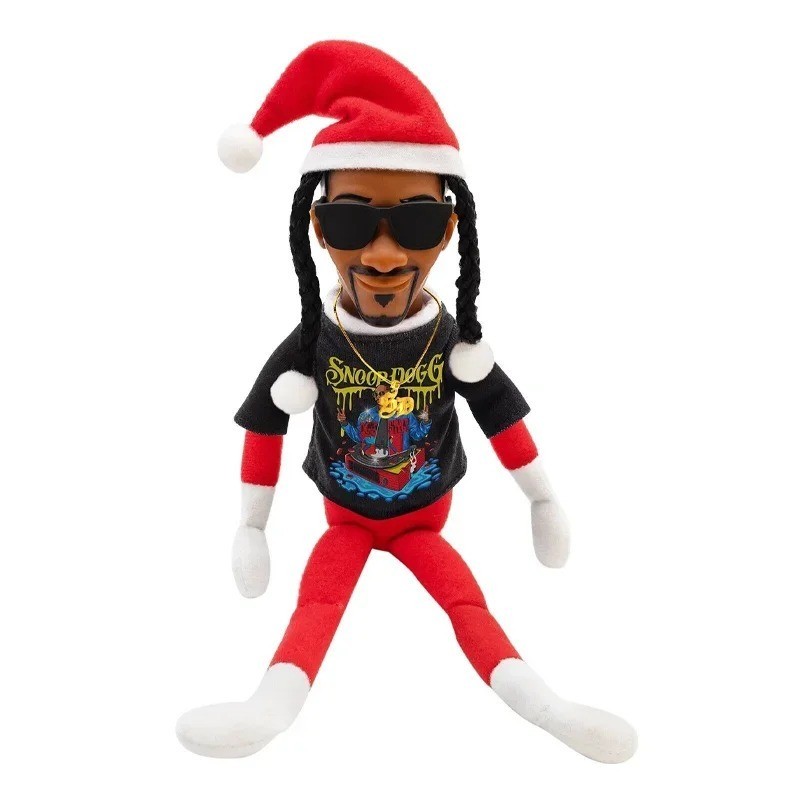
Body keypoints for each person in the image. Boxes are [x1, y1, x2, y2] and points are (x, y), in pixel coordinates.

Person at [176, 40, 637, 764]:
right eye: (351, 222)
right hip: (346, 517)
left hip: (426, 519)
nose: (385, 255)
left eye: (417, 224)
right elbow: (265, 421)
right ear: (317, 229)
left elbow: (501, 417)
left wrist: (541, 499)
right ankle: (271, 708)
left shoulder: (453, 342)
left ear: (449, 232)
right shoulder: (314, 342)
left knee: (467, 604)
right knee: (317, 604)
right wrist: (251, 526)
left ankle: (543, 706)